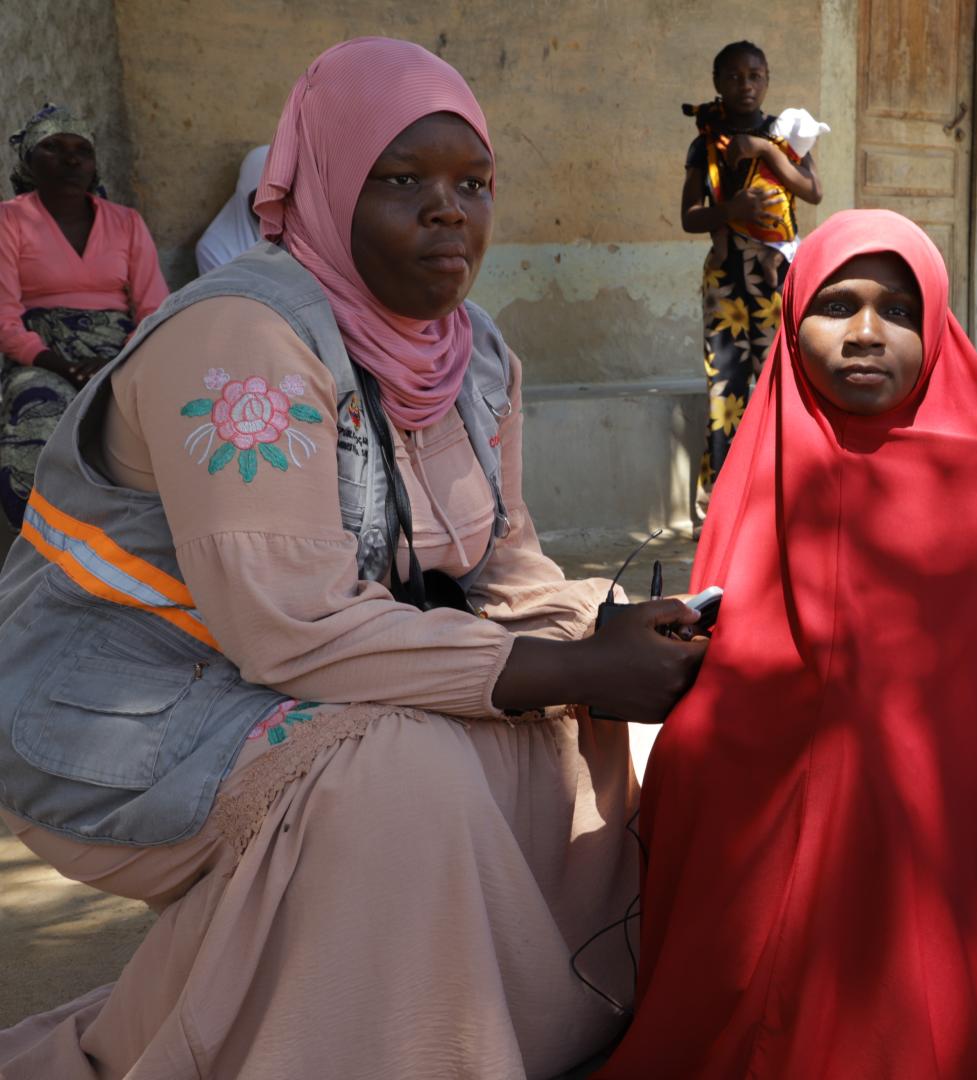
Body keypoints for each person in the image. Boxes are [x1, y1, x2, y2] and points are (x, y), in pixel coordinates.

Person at [0, 38, 706, 1080]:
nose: (447, 211)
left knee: (578, 728)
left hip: (279, 686)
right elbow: (291, 624)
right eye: (402, 180)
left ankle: (503, 1020)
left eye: (473, 184)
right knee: (399, 776)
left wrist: (613, 638)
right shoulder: (242, 337)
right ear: (322, 183)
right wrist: (567, 667)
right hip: (118, 713)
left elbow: (507, 573)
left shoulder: (475, 355)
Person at [600, 209, 977, 1079]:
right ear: (792, 322)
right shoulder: (767, 456)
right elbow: (727, 681)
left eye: (900, 311)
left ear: (938, 324)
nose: (868, 334)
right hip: (779, 819)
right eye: (837, 305)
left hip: (945, 831)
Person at [0, 102, 168, 527]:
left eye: (82, 150)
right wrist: (64, 366)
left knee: (160, 423)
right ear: (28, 161)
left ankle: (138, 545)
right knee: (36, 414)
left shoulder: (126, 223)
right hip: (41, 358)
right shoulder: (9, 221)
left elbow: (154, 309)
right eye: (53, 147)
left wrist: (112, 364)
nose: (71, 158)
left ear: (93, 165)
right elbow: (4, 318)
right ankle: (44, 543)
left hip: (120, 357)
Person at [680, 39, 822, 495]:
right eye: (735, 76)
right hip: (727, 278)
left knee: (782, 377)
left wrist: (765, 150)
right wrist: (732, 210)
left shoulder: (786, 132)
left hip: (778, 273)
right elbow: (689, 216)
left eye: (756, 75)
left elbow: (812, 190)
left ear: (768, 81)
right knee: (727, 382)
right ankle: (722, 492)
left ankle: (779, 484)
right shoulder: (705, 142)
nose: (746, 84)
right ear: (717, 82)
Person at [194, 143, 270, 274]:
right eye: (264, 194)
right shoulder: (215, 248)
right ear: (244, 193)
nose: (273, 204)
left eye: (283, 194)